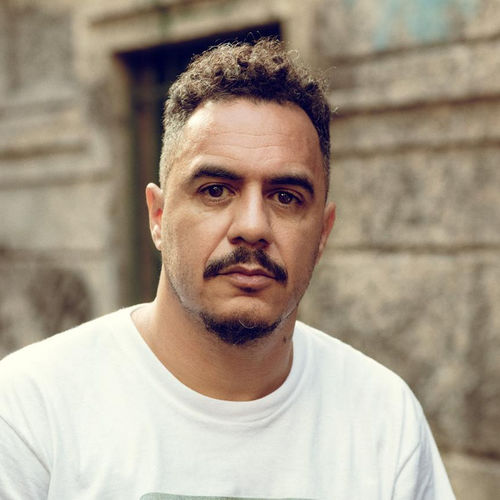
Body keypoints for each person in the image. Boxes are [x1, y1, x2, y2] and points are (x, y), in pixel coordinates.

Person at [0, 38, 454, 499]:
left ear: (322, 234)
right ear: (158, 216)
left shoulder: (385, 419)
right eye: (216, 190)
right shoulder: (31, 410)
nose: (253, 226)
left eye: (286, 197)